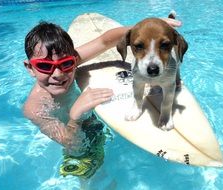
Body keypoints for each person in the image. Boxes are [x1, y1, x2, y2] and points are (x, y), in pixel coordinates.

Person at [23, 16, 182, 178]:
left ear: (74, 60)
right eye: (44, 66)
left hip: (97, 124)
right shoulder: (35, 109)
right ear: (30, 68)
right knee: (94, 174)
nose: (58, 74)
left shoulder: (69, 62)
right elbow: (73, 147)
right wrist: (74, 118)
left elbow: (105, 41)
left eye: (67, 63)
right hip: (80, 143)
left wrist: (145, 27)